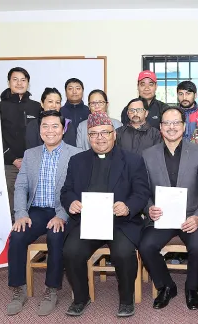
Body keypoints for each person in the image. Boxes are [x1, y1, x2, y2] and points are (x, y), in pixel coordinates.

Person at [61, 111, 151, 318]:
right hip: (88, 222)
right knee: (71, 251)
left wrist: (127, 207)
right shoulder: (77, 161)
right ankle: (80, 298)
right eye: (94, 134)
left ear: (114, 134)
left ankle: (127, 300)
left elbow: (142, 193)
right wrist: (71, 203)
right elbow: (66, 191)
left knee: (122, 253)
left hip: (120, 222)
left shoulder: (133, 160)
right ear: (88, 137)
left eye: (105, 133)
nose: (100, 138)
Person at [6, 110, 81, 316]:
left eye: (55, 126)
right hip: (37, 210)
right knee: (17, 235)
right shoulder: (31, 154)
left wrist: (63, 215)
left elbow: (78, 191)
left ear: (63, 129)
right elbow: (20, 186)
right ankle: (18, 289)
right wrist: (21, 213)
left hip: (63, 210)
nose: (50, 130)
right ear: (39, 130)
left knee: (56, 236)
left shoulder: (75, 154)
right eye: (45, 126)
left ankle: (52, 289)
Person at [139, 107, 198, 310]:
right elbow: (142, 191)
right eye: (167, 123)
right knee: (146, 246)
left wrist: (197, 216)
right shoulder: (148, 154)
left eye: (176, 123)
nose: (171, 127)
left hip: (191, 216)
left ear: (184, 126)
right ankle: (166, 286)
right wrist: (149, 208)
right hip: (161, 217)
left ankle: (191, 288)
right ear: (160, 127)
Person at [0, 67, 42, 221]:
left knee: (33, 197)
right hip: (9, 163)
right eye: (15, 79)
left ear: (28, 83)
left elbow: (41, 134)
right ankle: (13, 234)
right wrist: (12, 159)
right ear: (9, 82)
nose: (19, 83)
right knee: (11, 199)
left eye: (23, 80)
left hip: (32, 162)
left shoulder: (36, 106)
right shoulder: (0, 106)